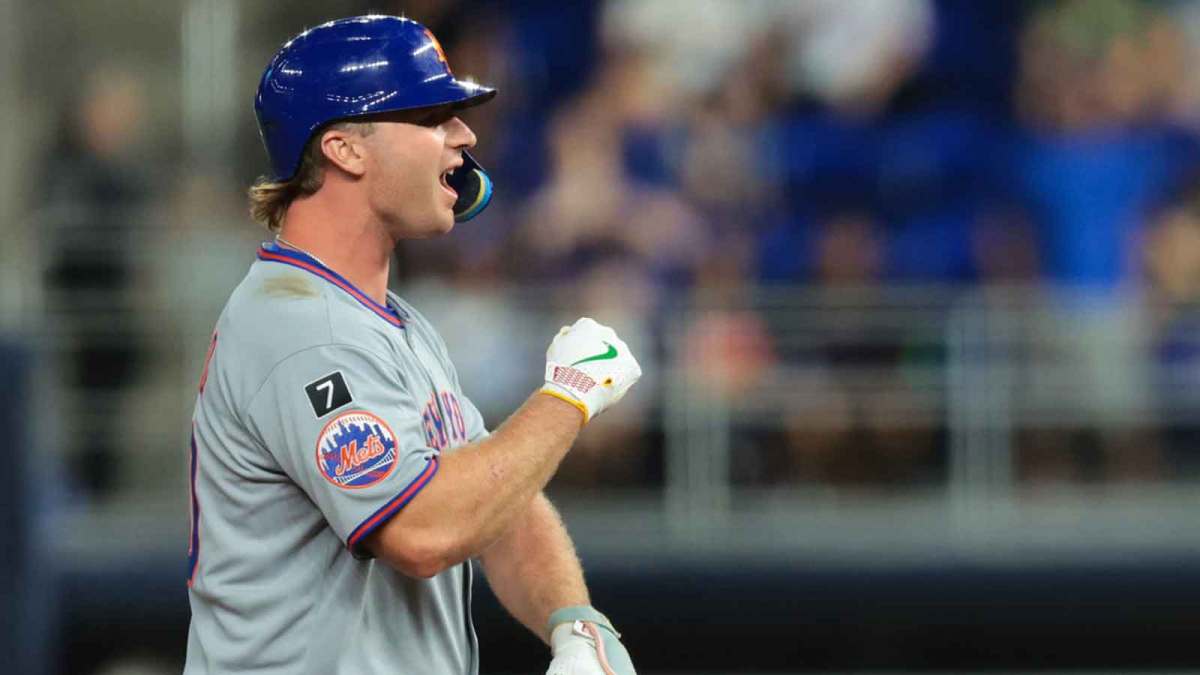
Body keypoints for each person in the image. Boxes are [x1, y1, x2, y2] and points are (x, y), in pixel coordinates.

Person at [183, 16, 641, 675]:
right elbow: (424, 530)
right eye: (432, 117)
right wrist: (568, 395)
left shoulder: (392, 321)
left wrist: (573, 619)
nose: (464, 136)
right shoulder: (299, 326)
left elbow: (498, 495)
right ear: (346, 149)